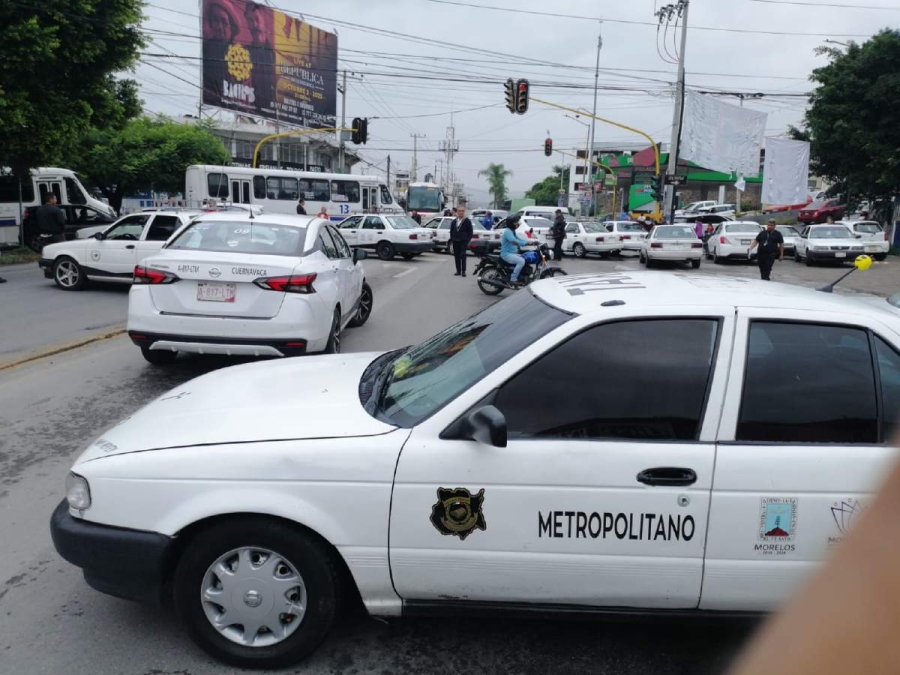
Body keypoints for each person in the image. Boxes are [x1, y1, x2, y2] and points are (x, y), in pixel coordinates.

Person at [500, 214, 531, 288]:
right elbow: (514, 241)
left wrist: (529, 242)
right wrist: (526, 243)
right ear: (511, 223)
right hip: (506, 254)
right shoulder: (508, 231)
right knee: (521, 261)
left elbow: (518, 239)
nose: (517, 223)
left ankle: (522, 276)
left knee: (525, 258)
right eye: (516, 222)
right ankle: (513, 279)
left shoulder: (512, 231)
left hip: (512, 253)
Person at [449, 206, 473, 277]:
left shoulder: (467, 221)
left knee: (463, 255)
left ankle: (463, 271)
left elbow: (470, 232)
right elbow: (451, 231)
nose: (461, 212)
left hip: (463, 241)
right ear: (457, 212)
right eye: (459, 211)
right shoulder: (454, 221)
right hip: (455, 241)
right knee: (456, 256)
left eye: (462, 211)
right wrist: (452, 239)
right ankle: (458, 271)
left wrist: (467, 240)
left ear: (464, 212)